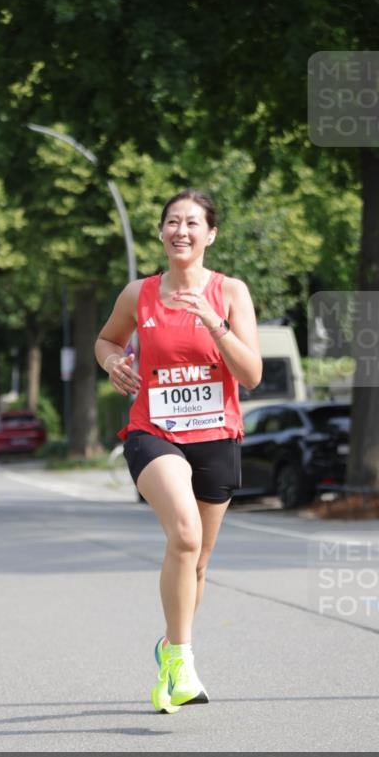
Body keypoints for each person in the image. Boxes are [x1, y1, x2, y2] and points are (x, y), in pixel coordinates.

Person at [94, 189, 262, 713]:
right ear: (162, 232)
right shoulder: (137, 295)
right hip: (155, 431)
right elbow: (106, 341)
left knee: (198, 562)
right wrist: (110, 363)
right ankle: (183, 661)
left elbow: (251, 375)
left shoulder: (231, 292)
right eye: (172, 222)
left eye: (192, 223)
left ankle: (171, 646)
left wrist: (214, 323)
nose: (180, 231)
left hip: (217, 434)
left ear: (210, 234)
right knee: (184, 535)